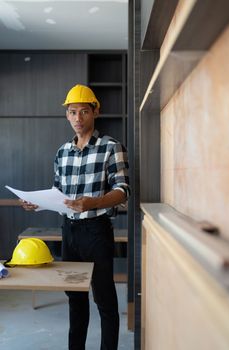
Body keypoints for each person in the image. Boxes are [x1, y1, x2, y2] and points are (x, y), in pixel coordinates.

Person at [22, 84, 130, 350]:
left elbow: (123, 191)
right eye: (73, 112)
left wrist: (93, 202)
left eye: (84, 111)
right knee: (75, 299)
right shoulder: (62, 152)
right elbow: (58, 193)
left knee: (104, 300)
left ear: (95, 112)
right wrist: (38, 204)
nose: (78, 118)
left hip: (97, 231)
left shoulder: (111, 147)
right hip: (69, 231)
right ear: (67, 115)